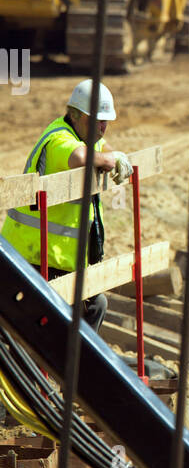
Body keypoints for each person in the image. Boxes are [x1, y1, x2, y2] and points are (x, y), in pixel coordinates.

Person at [1, 81, 133, 333]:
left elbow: (101, 148)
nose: (103, 127)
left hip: (57, 259)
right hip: (30, 258)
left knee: (96, 304)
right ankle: (52, 367)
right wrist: (111, 160)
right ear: (74, 115)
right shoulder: (60, 138)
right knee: (53, 319)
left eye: (106, 121)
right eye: (96, 120)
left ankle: (73, 369)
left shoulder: (85, 136)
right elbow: (79, 158)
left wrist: (115, 154)